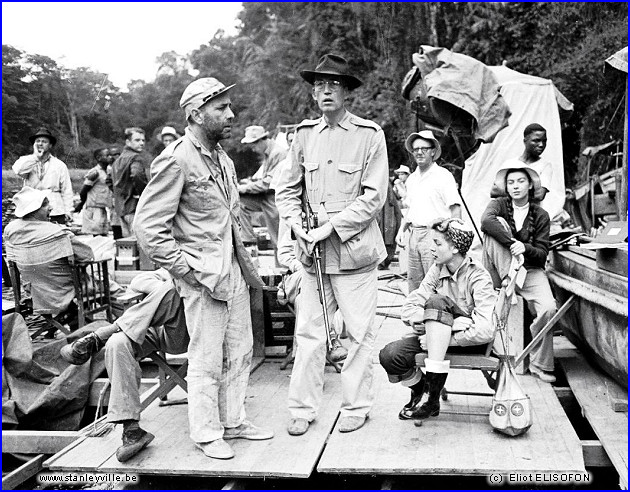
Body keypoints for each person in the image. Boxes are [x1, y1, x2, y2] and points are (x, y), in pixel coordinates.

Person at [134, 77, 273, 460]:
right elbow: (147, 227)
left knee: (241, 350)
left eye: (229, 107)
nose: (231, 115)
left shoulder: (222, 158)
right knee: (207, 358)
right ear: (195, 114)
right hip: (202, 276)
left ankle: (233, 421)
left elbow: (229, 216)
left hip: (233, 271)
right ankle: (207, 432)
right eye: (220, 108)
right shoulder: (177, 158)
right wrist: (186, 272)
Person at [275, 53, 389, 436]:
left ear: (346, 92)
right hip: (312, 256)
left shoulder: (369, 136)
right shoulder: (304, 135)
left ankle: (356, 406)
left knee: (358, 335)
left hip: (354, 254)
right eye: (319, 85)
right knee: (308, 334)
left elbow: (374, 198)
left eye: (334, 85)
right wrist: (296, 225)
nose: (325, 91)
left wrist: (331, 227)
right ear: (312, 93)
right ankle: (302, 409)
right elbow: (286, 190)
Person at [60, 269, 189, 462]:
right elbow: (139, 279)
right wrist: (161, 290)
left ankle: (102, 334)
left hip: (188, 332)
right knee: (117, 343)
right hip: (152, 328)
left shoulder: (208, 262)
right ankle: (132, 430)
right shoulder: (175, 262)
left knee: (174, 290)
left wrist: (168, 289)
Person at [379, 218, 496, 423]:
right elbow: (408, 308)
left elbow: (485, 330)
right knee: (390, 355)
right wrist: (437, 327)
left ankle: (430, 399)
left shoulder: (479, 277)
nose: (431, 248)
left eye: (438, 243)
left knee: (436, 301)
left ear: (455, 248)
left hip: (468, 343)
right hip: (436, 336)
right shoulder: (436, 269)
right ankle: (422, 389)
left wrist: (446, 336)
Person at [481, 163, 557, 383]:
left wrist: (525, 249)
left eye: (521, 181)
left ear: (530, 186)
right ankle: (509, 283)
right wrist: (512, 242)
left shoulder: (541, 215)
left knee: (549, 308)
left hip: (529, 271)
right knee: (495, 226)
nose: (515, 186)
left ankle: (539, 363)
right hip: (500, 271)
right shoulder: (498, 204)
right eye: (511, 182)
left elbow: (542, 254)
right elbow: (486, 222)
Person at [3, 188, 93, 321]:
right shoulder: (58, 232)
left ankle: (62, 323)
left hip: (34, 295)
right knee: (111, 288)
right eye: (45, 205)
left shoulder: (11, 230)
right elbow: (87, 256)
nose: (50, 208)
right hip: (67, 293)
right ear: (34, 210)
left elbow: (12, 262)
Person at [396, 131, 462, 292]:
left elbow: (456, 209)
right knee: (415, 285)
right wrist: (401, 231)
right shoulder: (412, 179)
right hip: (414, 236)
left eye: (424, 148)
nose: (419, 152)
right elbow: (411, 209)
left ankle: (435, 316)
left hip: (435, 235)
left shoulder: (443, 176)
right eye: (416, 149)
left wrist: (454, 241)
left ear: (433, 151)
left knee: (435, 284)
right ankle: (416, 316)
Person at [238, 125, 288, 252]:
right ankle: (248, 241)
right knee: (240, 202)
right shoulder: (268, 153)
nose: (253, 149)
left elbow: (268, 183)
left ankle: (285, 267)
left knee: (278, 239)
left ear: (261, 140)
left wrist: (244, 188)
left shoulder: (278, 153)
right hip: (266, 197)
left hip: (276, 198)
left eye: (254, 145)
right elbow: (265, 178)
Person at [12, 127, 73, 225]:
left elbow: (67, 190)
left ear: (50, 145)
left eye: (44, 142)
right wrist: (36, 157)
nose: (40, 144)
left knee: (55, 236)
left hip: (55, 209)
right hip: (31, 209)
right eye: (37, 141)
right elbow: (18, 170)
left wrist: (68, 211)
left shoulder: (59, 165)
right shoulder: (26, 161)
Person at [494, 123, 551, 210]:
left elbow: (539, 195)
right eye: (536, 140)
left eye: (544, 141)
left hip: (531, 217)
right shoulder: (509, 164)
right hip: (508, 215)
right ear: (525, 141)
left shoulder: (545, 166)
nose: (541, 145)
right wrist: (526, 189)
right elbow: (494, 192)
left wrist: (510, 189)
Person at [109, 127, 149, 237]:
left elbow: (108, 180)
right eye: (137, 140)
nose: (141, 143)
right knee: (138, 241)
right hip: (134, 206)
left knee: (127, 246)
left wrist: (120, 193)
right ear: (128, 142)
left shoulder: (118, 159)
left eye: (143, 140)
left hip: (121, 207)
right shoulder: (135, 158)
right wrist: (143, 195)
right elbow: (136, 175)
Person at [75, 148, 113, 235]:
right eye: (107, 155)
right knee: (96, 235)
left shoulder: (108, 172)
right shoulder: (95, 173)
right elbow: (84, 191)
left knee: (103, 234)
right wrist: (81, 204)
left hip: (102, 207)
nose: (110, 157)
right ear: (99, 158)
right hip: (93, 208)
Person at [106, 147, 123, 239]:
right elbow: (108, 181)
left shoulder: (121, 166)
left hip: (121, 198)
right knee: (115, 221)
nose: (111, 157)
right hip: (114, 198)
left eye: (115, 155)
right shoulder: (111, 167)